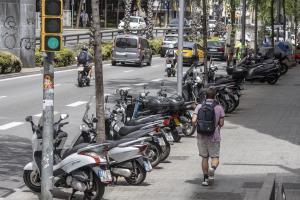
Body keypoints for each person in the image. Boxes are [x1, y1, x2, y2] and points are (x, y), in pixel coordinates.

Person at [192, 88, 225, 186]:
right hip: (214, 136)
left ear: (205, 96)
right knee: (215, 157)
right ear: (215, 96)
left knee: (204, 158)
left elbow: (193, 121)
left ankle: (205, 179)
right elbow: (221, 124)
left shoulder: (199, 106)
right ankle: (213, 169)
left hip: (201, 136)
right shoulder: (219, 107)